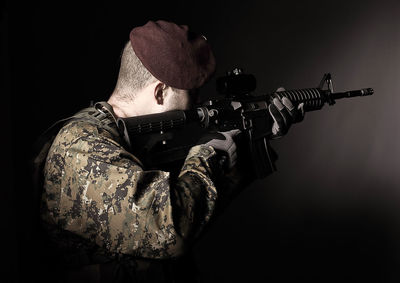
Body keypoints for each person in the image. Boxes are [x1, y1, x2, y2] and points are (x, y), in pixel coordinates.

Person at [36, 20, 304, 283]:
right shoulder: (83, 148)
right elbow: (171, 229)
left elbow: (197, 208)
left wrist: (253, 135)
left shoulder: (131, 138)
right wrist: (206, 156)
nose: (197, 103)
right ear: (160, 92)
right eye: (193, 93)